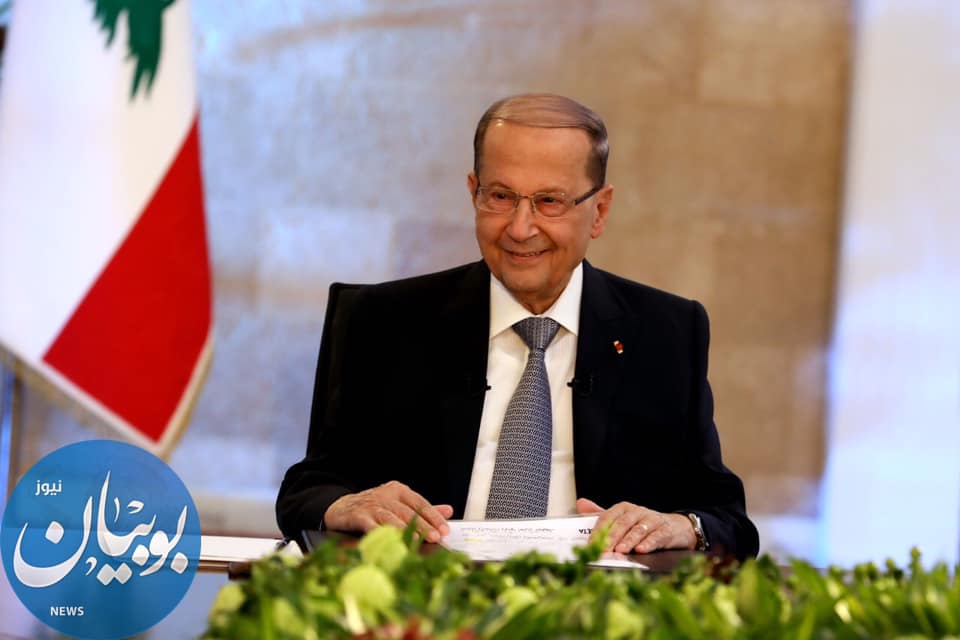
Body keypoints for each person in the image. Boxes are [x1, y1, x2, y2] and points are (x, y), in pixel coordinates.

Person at [277, 94, 759, 558]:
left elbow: (728, 520)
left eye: (549, 201)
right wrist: (347, 505)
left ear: (599, 211)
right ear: (473, 193)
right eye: (501, 196)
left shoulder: (664, 333)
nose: (520, 228)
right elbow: (306, 490)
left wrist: (682, 526)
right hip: (424, 595)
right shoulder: (384, 321)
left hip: (594, 598)